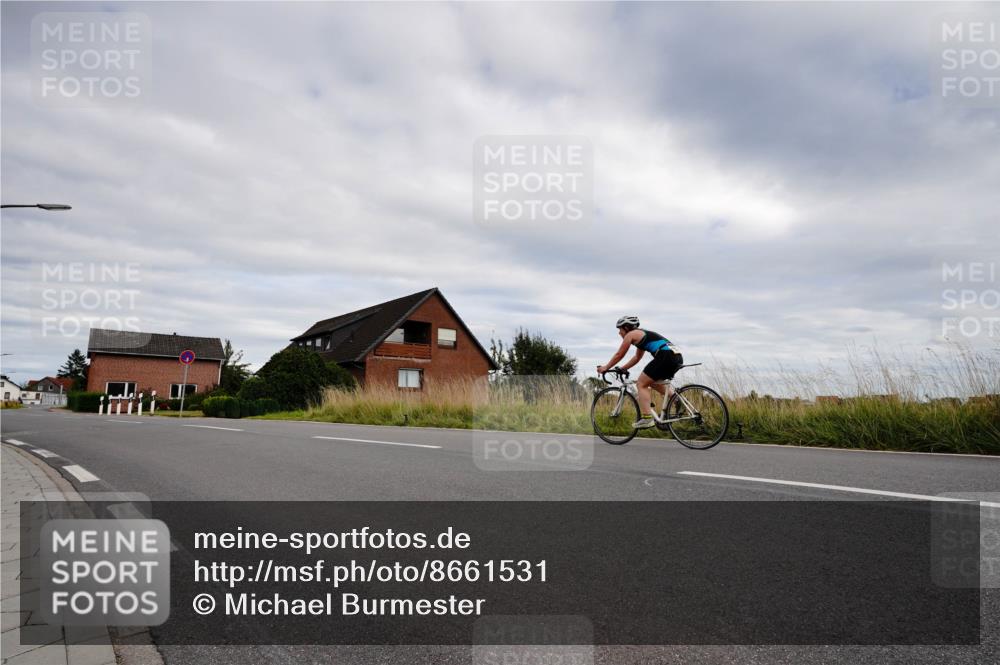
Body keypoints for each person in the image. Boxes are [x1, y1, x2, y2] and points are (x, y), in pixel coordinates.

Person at [597, 316, 684, 428]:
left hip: (665, 356)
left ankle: (647, 418)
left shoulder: (631, 335)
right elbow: (637, 358)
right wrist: (623, 368)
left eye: (620, 330)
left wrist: (606, 367)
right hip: (676, 357)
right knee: (651, 381)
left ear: (627, 328)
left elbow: (619, 354)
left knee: (641, 384)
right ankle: (675, 399)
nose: (619, 333)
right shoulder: (641, 335)